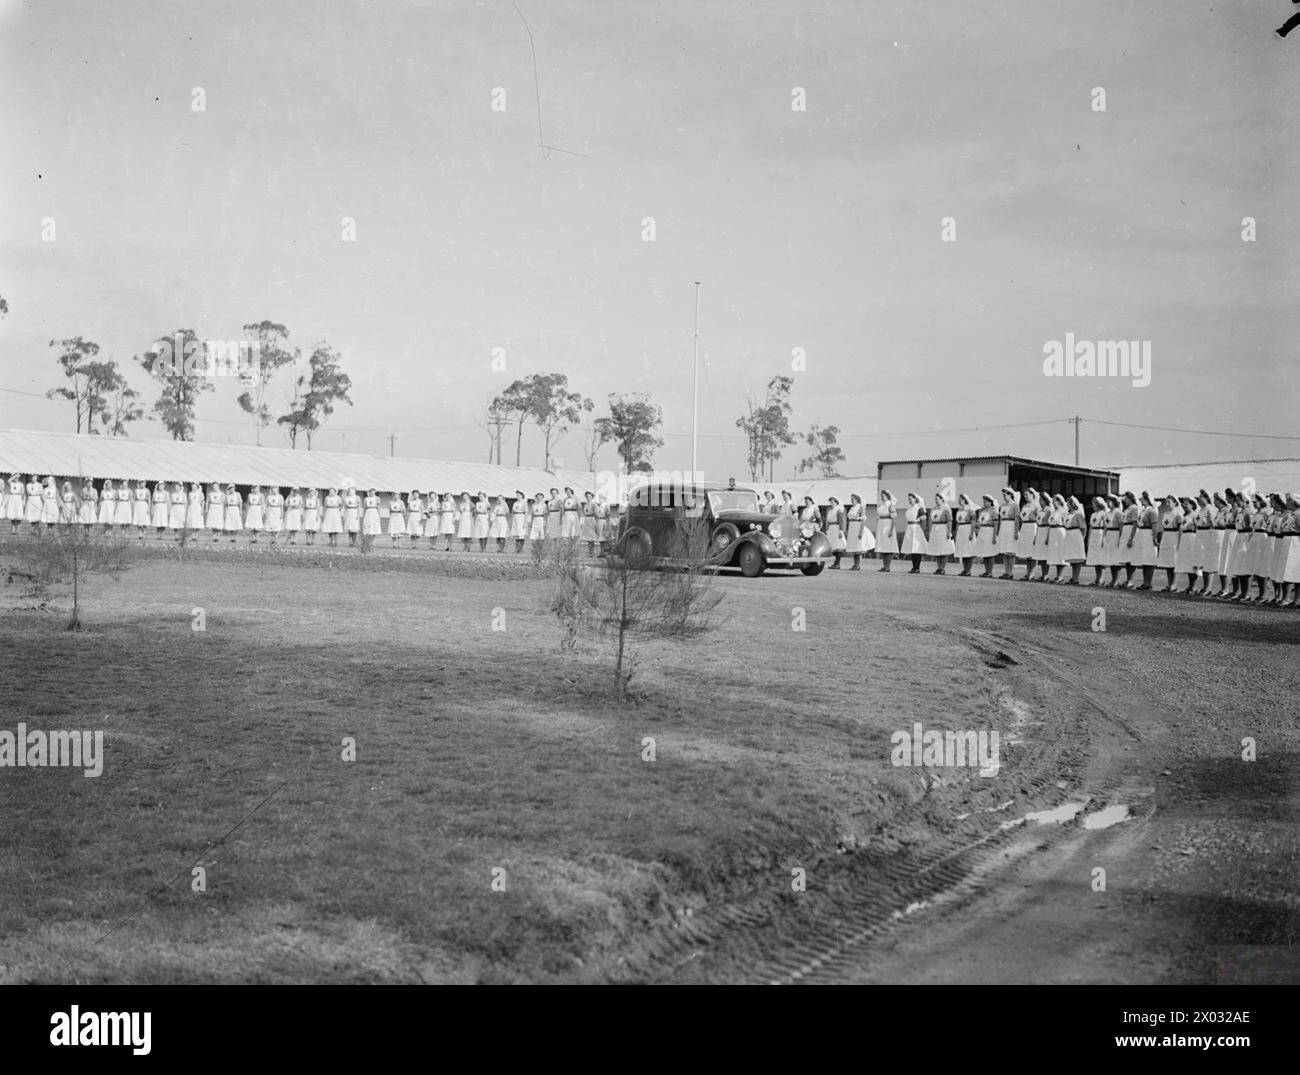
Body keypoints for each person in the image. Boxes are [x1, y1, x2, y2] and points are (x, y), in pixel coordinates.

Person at [1172, 496, 1199, 594]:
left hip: (1192, 538)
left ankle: (1194, 587)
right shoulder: (1185, 516)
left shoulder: (1195, 515)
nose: (1184, 505)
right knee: (1187, 562)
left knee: (1192, 561)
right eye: (1183, 504)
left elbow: (1198, 527)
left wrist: (1195, 526)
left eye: (1187, 504)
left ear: (1192, 505)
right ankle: (1190, 586)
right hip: (1184, 539)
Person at [1155, 494, 1181, 591]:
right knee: (1167, 562)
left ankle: (1174, 584)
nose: (1166, 504)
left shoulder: (1177, 514)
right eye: (1166, 502)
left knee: (1174, 561)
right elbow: (1163, 527)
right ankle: (1169, 584)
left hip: (1174, 537)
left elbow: (1180, 528)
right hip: (1166, 536)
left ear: (1175, 503)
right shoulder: (1165, 514)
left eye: (1169, 502)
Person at [899, 492, 928, 573]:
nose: (909, 500)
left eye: (910, 499)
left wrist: (922, 530)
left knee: (917, 549)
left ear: (915, 499)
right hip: (909, 529)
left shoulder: (919, 508)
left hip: (916, 529)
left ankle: (917, 567)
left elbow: (924, 520)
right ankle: (913, 567)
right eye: (908, 499)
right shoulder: (909, 509)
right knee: (911, 548)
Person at [1015, 488, 1040, 581]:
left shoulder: (1036, 505)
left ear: (1032, 494)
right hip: (1025, 527)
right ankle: (1028, 572)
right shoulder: (1024, 505)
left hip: (1032, 527)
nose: (1025, 496)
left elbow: (1039, 518)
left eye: (1027, 494)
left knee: (1032, 552)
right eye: (1024, 495)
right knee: (1027, 552)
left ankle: (1032, 574)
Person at [845, 493, 874, 570]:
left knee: (858, 547)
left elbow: (863, 520)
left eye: (853, 499)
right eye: (851, 499)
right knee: (854, 547)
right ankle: (855, 564)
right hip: (852, 528)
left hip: (857, 527)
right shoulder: (852, 508)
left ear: (857, 499)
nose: (851, 501)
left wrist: (861, 531)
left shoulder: (860, 507)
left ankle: (857, 565)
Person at [1063, 495, 1087, 584]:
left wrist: (1082, 539)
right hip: (1069, 535)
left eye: (1068, 503)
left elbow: (1084, 528)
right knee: (1072, 557)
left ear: (1072, 504)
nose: (1067, 505)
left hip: (1076, 535)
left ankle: (1076, 578)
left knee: (1077, 557)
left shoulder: (1079, 514)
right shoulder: (1068, 514)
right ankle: (1073, 577)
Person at [929, 493, 955, 575]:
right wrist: (930, 531)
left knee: (943, 550)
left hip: (943, 529)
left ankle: (942, 568)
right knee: (937, 549)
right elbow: (930, 521)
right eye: (935, 499)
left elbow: (949, 521)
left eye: (938, 499)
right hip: (935, 529)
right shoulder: (933, 509)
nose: (936, 501)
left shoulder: (946, 509)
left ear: (942, 499)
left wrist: (948, 532)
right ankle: (938, 568)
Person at [996, 487, 1019, 579]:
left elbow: (1017, 519)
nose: (1004, 497)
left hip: (1011, 527)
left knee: (1011, 551)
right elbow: (1001, 518)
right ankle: (1006, 571)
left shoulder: (1015, 505)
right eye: (1003, 495)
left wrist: (1016, 531)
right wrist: (1000, 531)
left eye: (1005, 495)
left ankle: (1010, 572)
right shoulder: (1002, 505)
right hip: (1004, 528)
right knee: (1005, 551)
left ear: (1010, 495)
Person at [1085, 496, 1108, 585]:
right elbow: (1091, 527)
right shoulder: (1093, 514)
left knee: (1100, 557)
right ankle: (1097, 578)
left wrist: (1104, 538)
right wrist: (1089, 538)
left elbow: (1106, 526)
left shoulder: (1104, 513)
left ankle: (1101, 579)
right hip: (1094, 534)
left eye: (1094, 503)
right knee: (1095, 558)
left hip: (1100, 533)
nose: (1092, 505)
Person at [974, 494, 998, 577]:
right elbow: (979, 522)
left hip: (990, 531)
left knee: (990, 552)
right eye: (983, 501)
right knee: (984, 551)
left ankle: (990, 572)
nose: (984, 503)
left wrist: (994, 536)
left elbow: (996, 525)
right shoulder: (982, 511)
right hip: (982, 531)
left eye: (986, 501)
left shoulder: (993, 511)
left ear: (990, 502)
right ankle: (986, 571)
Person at [953, 493, 977, 576]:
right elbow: (957, 523)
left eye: (961, 499)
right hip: (961, 531)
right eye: (959, 499)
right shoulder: (959, 510)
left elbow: (973, 522)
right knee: (962, 551)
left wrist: (971, 533)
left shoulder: (970, 510)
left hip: (967, 529)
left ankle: (968, 570)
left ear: (964, 500)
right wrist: (956, 533)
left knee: (968, 551)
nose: (959, 501)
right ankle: (964, 569)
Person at [1045, 494, 1067, 582]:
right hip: (1053, 533)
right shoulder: (1053, 512)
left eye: (1054, 501)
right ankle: (1057, 576)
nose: (1053, 503)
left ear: (1059, 501)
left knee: (1060, 554)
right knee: (1055, 554)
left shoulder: (1064, 512)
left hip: (1060, 533)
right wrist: (1047, 537)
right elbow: (1050, 525)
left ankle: (1060, 576)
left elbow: (1066, 524)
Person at [875, 490, 897, 572]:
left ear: (887, 496)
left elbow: (893, 519)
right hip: (881, 526)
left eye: (883, 496)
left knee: (888, 547)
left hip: (888, 526)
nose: (881, 497)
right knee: (883, 547)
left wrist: (891, 530)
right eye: (881, 496)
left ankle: (888, 566)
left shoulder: (890, 505)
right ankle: (884, 566)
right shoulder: (881, 505)